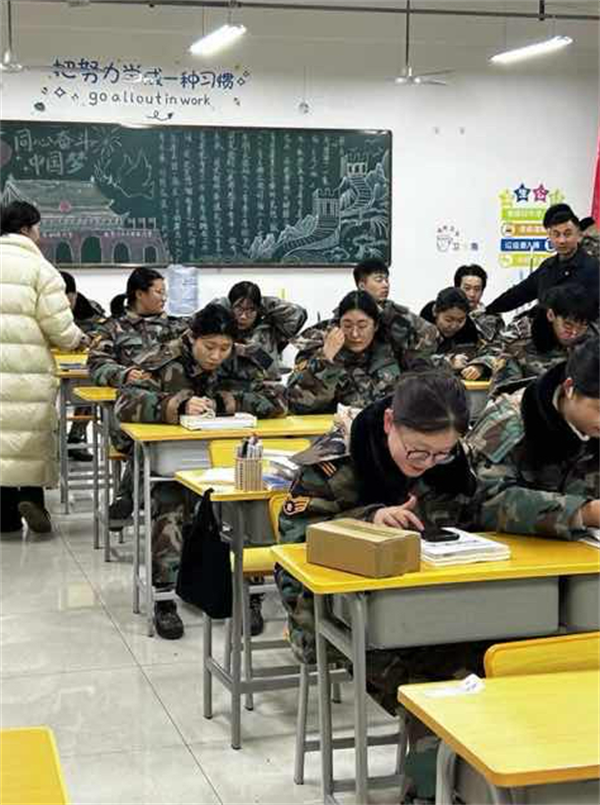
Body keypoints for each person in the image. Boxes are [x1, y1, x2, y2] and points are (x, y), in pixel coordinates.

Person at [275, 370, 486, 803]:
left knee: (496, 671)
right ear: (390, 422)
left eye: (441, 453)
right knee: (434, 686)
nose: (427, 464)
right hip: (345, 616)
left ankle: (473, 785)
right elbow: (294, 545)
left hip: (440, 606)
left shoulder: (453, 465)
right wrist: (367, 520)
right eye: (418, 451)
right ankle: (428, 792)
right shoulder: (333, 464)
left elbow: (477, 519)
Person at [115, 304, 287, 639]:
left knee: (249, 505)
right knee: (169, 505)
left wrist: (227, 403)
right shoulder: (165, 359)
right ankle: (164, 597)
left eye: (224, 348)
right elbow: (124, 402)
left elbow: (280, 399)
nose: (216, 356)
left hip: (232, 463)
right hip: (177, 463)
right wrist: (175, 406)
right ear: (192, 338)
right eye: (209, 347)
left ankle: (250, 594)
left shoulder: (245, 359)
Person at [0, 201, 84, 534]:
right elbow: (59, 328)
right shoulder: (41, 269)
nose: (40, 234)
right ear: (26, 229)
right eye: (38, 227)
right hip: (27, 372)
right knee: (30, 439)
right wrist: (77, 339)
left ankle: (4, 516)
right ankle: (32, 500)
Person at [468, 337, 600, 539]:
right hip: (511, 550)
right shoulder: (509, 422)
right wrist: (584, 513)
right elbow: (483, 503)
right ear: (569, 388)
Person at [88, 267, 190, 523]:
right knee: (144, 442)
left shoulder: (178, 328)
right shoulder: (113, 328)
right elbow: (96, 364)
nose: (164, 298)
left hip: (173, 411)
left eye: (165, 292)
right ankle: (148, 502)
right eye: (158, 292)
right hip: (130, 413)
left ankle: (129, 498)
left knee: (166, 442)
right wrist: (123, 374)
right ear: (139, 294)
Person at [287, 291, 401, 414]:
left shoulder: (393, 348)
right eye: (347, 326)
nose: (354, 334)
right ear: (339, 324)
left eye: (362, 326)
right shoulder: (317, 346)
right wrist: (325, 359)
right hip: (329, 425)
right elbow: (298, 404)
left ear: (376, 326)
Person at [479, 284, 597, 397]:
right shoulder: (522, 331)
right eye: (568, 325)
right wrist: (481, 365)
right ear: (551, 315)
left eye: (582, 327)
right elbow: (493, 350)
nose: (574, 333)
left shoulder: (593, 335)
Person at [486, 204, 600, 315]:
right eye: (556, 234)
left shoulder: (593, 268)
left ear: (579, 235)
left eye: (567, 234)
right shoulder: (547, 267)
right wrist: (487, 310)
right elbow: (519, 293)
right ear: (549, 236)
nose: (562, 240)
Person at [213, 281, 307, 379]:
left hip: (260, 384)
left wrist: (249, 352)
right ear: (230, 307)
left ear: (259, 309)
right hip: (221, 384)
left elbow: (298, 313)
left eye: (250, 310)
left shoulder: (267, 332)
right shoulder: (219, 328)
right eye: (238, 308)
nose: (243, 316)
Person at [59, 270, 107, 461]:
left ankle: (75, 438)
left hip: (78, 368)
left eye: (67, 298)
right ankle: (51, 441)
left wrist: (89, 339)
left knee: (88, 392)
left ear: (74, 295)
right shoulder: (44, 309)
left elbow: (103, 334)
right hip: (50, 369)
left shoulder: (90, 311)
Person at [420, 287, 495, 379]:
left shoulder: (471, 331)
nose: (454, 326)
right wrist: (448, 362)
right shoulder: (419, 331)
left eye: (460, 320)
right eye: (448, 320)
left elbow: (495, 353)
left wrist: (480, 366)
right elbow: (412, 361)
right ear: (435, 312)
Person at [453, 263, 504, 341]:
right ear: (457, 289)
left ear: (482, 291)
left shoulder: (493, 319)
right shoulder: (446, 314)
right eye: (467, 288)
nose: (472, 294)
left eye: (477, 289)